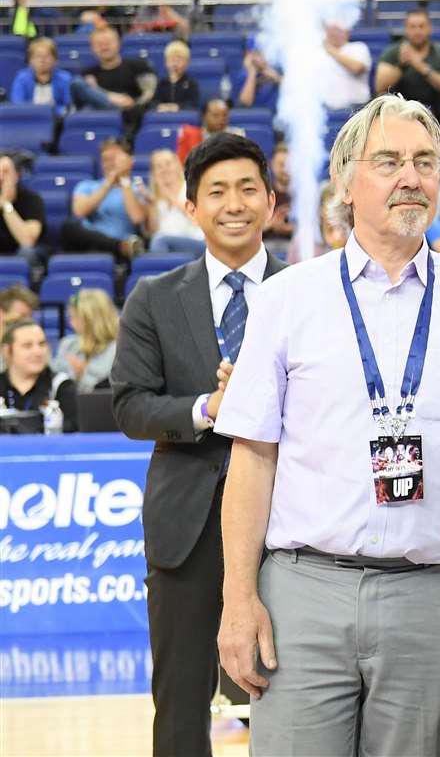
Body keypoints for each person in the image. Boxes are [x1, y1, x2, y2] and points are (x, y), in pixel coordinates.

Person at [213, 99, 440, 755]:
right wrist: (238, 599)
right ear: (344, 183)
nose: (409, 177)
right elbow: (252, 458)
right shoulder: (284, 299)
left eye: (424, 162)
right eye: (387, 161)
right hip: (304, 592)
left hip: (434, 595)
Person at [111, 133, 281, 756]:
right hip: (185, 526)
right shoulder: (154, 299)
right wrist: (208, 408)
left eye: (245, 189)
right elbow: (129, 403)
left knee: (292, 698)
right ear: (191, 207)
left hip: (290, 524)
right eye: (216, 192)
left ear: (270, 200)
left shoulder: (308, 291)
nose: (232, 204)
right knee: (181, 704)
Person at [65, 137, 147, 259]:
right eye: (105, 160)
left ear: (128, 161)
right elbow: (79, 211)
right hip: (90, 243)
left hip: (119, 246)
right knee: (69, 227)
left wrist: (124, 180)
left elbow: (137, 218)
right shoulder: (87, 186)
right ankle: (120, 246)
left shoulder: (137, 189)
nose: (109, 164)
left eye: (114, 159)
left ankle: (120, 247)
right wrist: (109, 183)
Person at [1, 318, 74, 426]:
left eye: (42, 344)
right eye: (27, 346)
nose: (38, 352)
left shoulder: (61, 385)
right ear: (7, 351)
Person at [143, 147, 206, 256]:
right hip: (166, 246)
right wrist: (151, 205)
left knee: (159, 241)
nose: (164, 169)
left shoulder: (191, 187)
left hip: (195, 241)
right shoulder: (155, 197)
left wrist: (169, 195)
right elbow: (153, 231)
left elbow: (196, 217)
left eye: (168, 164)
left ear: (177, 166)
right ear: (154, 172)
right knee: (157, 241)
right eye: (159, 166)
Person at [0, 153, 46, 260]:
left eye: (5, 172)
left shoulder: (32, 199)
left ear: (16, 176)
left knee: (26, 252)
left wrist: (6, 205)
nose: (1, 177)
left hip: (22, 254)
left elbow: (27, 240)